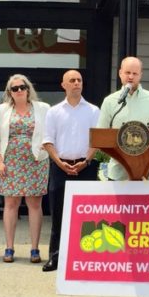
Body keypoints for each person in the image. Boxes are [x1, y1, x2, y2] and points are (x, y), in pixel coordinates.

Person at [40, 69, 99, 272]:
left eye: (79, 80)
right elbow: (47, 141)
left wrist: (86, 161)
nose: (76, 83)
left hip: (86, 168)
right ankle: (55, 258)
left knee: (87, 217)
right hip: (60, 167)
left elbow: (97, 140)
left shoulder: (93, 111)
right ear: (63, 85)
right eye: (72, 80)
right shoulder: (54, 112)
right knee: (58, 215)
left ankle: (84, 258)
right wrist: (59, 162)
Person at [0, 74, 51, 264]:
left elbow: (50, 132)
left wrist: (44, 148)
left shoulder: (43, 108)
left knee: (34, 205)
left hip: (36, 161)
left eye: (22, 87)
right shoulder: (3, 110)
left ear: (28, 88)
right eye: (14, 88)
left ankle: (34, 248)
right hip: (10, 162)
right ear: (10, 92)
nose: (19, 91)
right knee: (11, 204)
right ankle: (9, 247)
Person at [96, 56, 149, 181]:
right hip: (119, 173)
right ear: (120, 73)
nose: (131, 77)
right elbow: (100, 136)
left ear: (140, 75)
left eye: (135, 73)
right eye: (127, 72)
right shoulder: (110, 102)